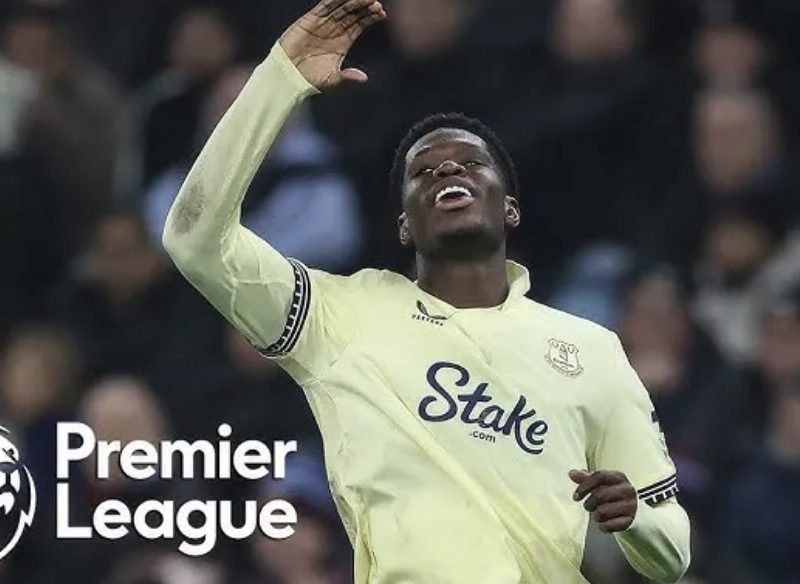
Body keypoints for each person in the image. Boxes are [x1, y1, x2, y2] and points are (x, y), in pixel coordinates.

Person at [162, 2, 691, 583]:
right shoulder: (338, 317)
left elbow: (672, 552)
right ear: (404, 226)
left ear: (510, 209)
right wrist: (279, 80)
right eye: (423, 171)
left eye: (472, 163)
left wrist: (635, 517)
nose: (447, 171)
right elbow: (194, 239)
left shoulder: (590, 350)